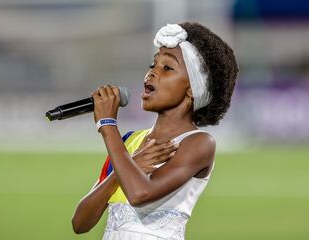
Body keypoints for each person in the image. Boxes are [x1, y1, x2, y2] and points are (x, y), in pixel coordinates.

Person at [71, 21, 239, 239]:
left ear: (192, 89)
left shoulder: (198, 143)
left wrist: (107, 125)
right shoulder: (129, 142)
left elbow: (140, 193)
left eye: (167, 68)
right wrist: (125, 169)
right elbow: (80, 223)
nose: (152, 73)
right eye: (153, 65)